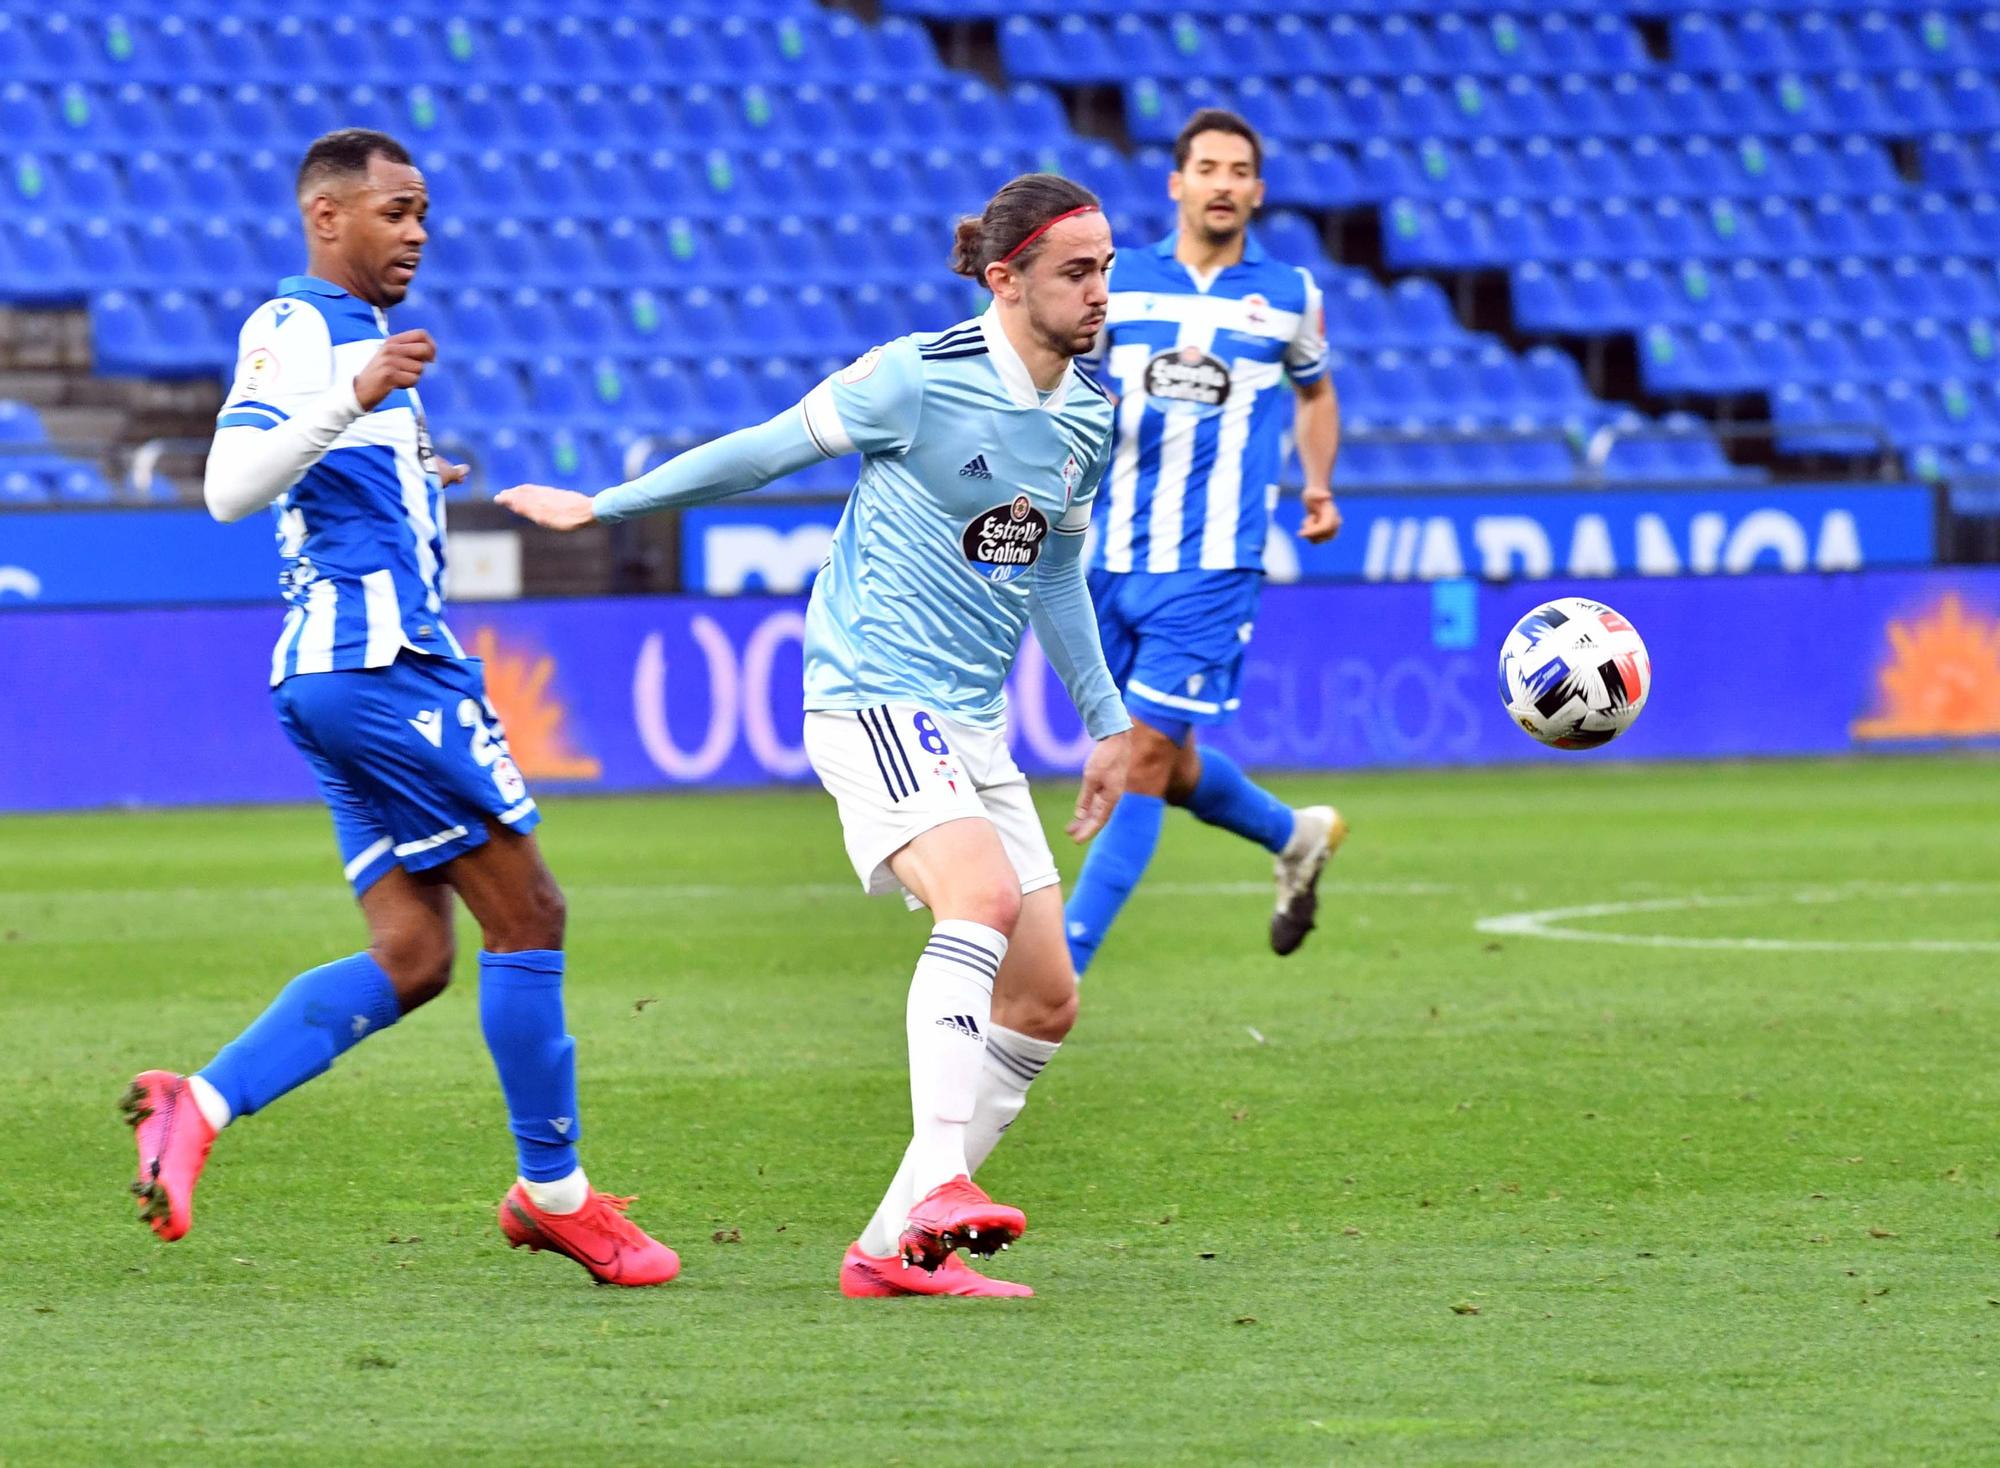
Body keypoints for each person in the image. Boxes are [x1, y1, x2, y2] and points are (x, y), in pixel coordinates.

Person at [497, 174, 1130, 1299]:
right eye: (1076, 271)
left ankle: (890, 1246)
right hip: (873, 690)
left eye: (1105, 267)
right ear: (1005, 279)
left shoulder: (1089, 407)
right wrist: (607, 504)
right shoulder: (915, 379)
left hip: (971, 719)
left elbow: (1056, 569)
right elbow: (762, 449)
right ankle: (940, 1178)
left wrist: (1105, 719)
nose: (1098, 291)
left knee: (1041, 996)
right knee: (975, 902)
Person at [121, 129, 678, 1288]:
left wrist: (402, 459)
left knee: (415, 952)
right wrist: (353, 393)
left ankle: (198, 1104)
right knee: (528, 914)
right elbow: (229, 488)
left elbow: (321, 481)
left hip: (337, 671)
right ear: (327, 217)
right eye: (394, 210)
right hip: (382, 667)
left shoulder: (354, 347)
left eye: (424, 212)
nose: (416, 231)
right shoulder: (302, 330)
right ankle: (555, 1195)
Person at [1063, 108, 1347, 976]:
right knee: (1167, 759)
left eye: (1239, 171)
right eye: (1208, 168)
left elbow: (1315, 394)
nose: (1223, 183)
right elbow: (1066, 378)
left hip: (1218, 559)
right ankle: (1295, 836)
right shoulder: (1122, 282)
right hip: (1109, 558)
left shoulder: (1291, 295)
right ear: (1176, 183)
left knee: (1142, 758)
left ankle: (1059, 967)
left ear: (1256, 192)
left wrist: (1318, 484)